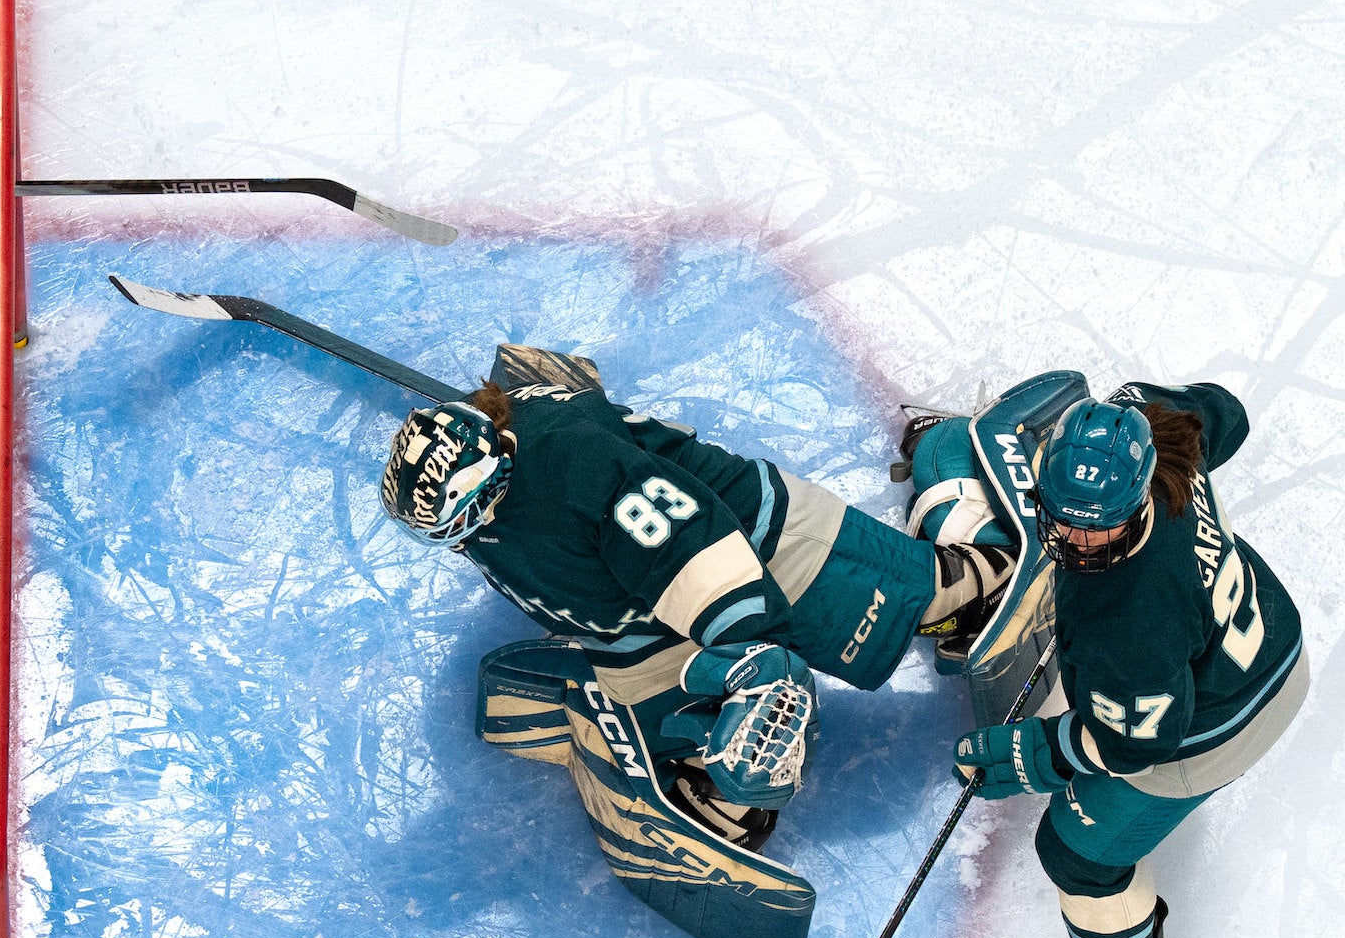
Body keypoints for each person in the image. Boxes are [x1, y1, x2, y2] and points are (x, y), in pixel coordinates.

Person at [382, 342, 1017, 842]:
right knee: (679, 721)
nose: (463, 537)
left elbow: (691, 544)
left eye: (467, 515)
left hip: (761, 544)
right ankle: (723, 769)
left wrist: (756, 659)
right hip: (640, 610)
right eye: (446, 530)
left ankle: (964, 510)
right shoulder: (491, 478)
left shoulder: (579, 469)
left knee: (930, 601)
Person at [948, 383, 1307, 938]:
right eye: (1068, 517)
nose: (1081, 541)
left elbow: (1137, 740)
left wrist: (1036, 751)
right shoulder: (1161, 430)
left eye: (1102, 522)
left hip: (1225, 715)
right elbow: (1227, 412)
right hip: (1268, 636)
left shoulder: (1130, 619)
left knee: (1073, 850)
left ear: (1139, 495)